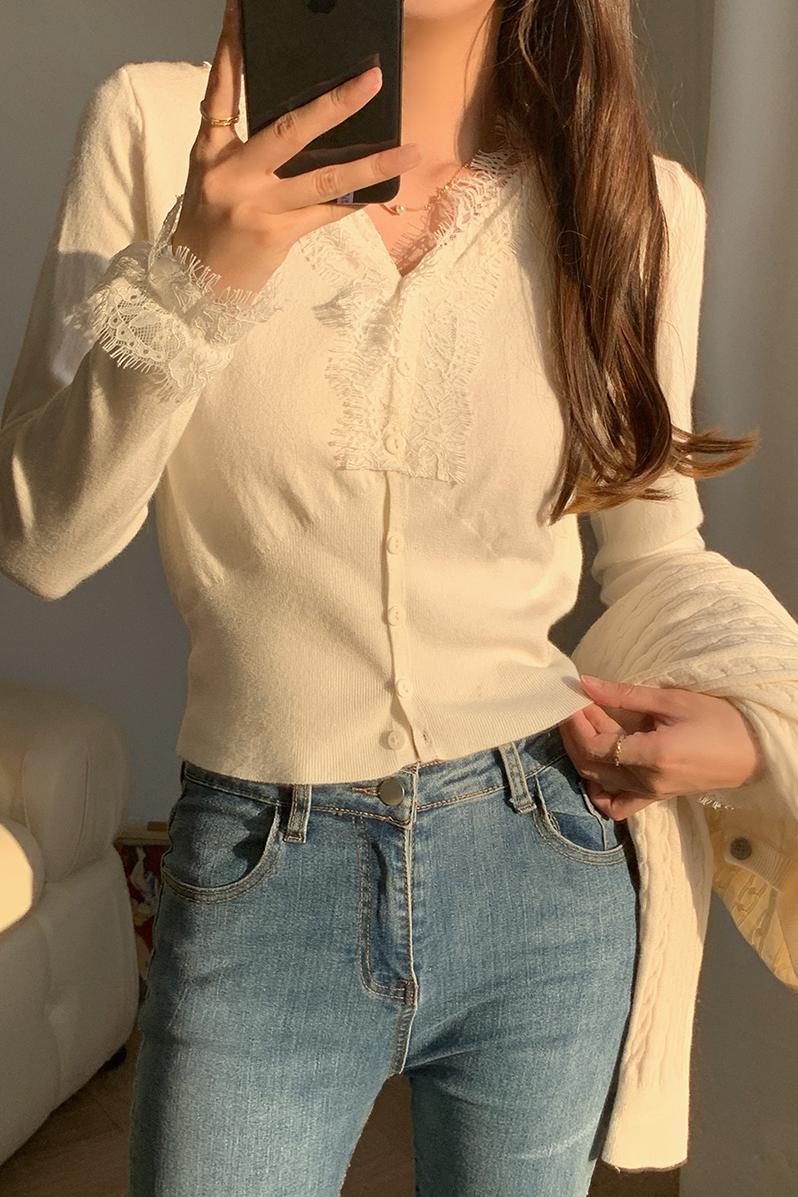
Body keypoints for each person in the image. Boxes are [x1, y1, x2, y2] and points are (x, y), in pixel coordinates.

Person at [2, 0, 788, 1194]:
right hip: (263, 858)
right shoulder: (160, 130)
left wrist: (760, 723)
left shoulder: (637, 199)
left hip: (547, 855)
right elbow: (41, 541)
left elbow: (655, 548)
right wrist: (201, 275)